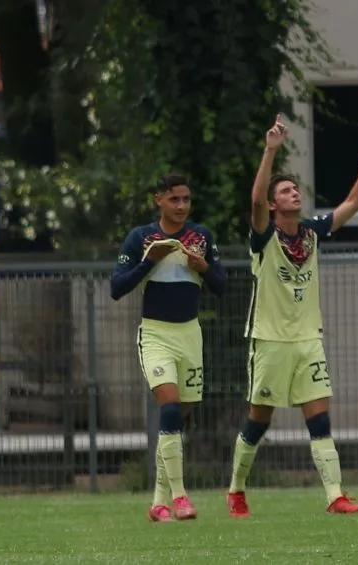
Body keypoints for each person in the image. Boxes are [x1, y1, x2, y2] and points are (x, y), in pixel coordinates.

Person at [226, 115, 358, 517]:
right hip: (270, 340)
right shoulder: (263, 237)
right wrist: (270, 150)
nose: (294, 193)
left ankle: (335, 495)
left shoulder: (312, 232)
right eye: (286, 190)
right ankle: (237, 489)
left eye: (295, 189)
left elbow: (354, 204)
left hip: (308, 340)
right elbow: (256, 201)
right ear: (276, 204)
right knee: (259, 420)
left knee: (319, 418)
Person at [111, 174, 226, 522]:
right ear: (158, 200)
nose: (181, 206)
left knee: (178, 419)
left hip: (190, 335)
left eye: (186, 200)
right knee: (171, 409)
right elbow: (116, 288)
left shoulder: (201, 237)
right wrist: (150, 260)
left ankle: (158, 501)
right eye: (174, 199)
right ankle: (180, 497)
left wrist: (203, 267)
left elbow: (222, 285)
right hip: (156, 335)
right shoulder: (141, 238)